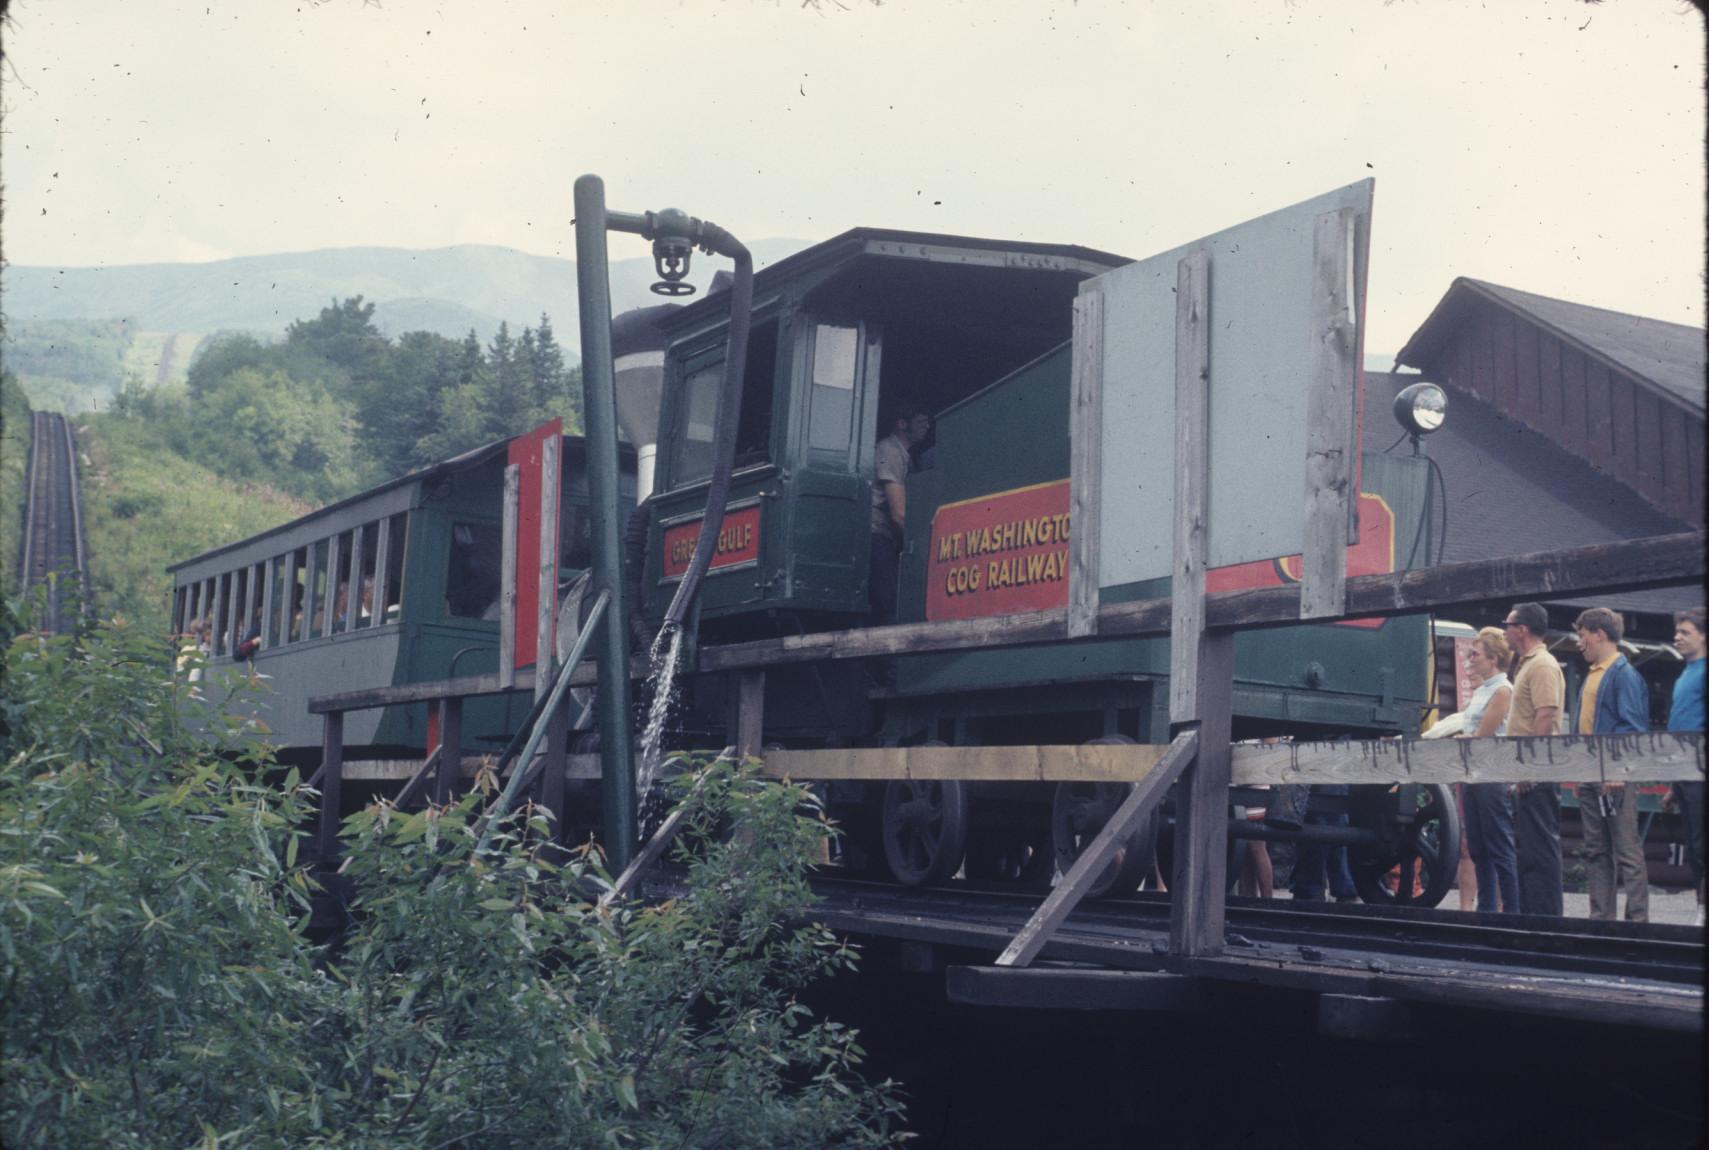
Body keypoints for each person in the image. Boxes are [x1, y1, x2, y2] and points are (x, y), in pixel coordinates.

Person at [1571, 607, 1650, 922]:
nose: (1580, 643)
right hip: (1590, 775)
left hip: (1614, 777)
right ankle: (1601, 919)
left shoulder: (1623, 674)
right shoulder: (1593, 673)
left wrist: (1618, 771)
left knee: (1627, 851)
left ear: (1599, 634)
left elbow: (1632, 728)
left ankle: (1637, 923)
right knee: (1596, 850)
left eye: (1582, 635)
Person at [1505, 602, 1565, 916]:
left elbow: (1546, 715)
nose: (1505, 630)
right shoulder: (1527, 663)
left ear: (1522, 629)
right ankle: (1533, 919)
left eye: (1508, 624)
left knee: (1540, 849)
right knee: (1529, 850)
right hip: (1528, 772)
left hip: (1537, 773)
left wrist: (1529, 768)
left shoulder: (1542, 664)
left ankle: (1546, 922)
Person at [1459, 626, 1519, 914]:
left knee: (1499, 846)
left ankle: (1511, 910)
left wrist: (1461, 739)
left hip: (1492, 773)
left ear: (1493, 658)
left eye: (1476, 653)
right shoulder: (1483, 690)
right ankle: (1485, 909)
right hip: (1472, 773)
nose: (1471, 658)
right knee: (1479, 847)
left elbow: (1483, 734)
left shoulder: (1502, 690)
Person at [868, 402, 931, 624]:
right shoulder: (890, 450)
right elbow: (898, 513)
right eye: (920, 422)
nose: (926, 426)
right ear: (902, 424)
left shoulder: (906, 456)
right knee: (890, 602)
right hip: (878, 534)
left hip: (888, 537)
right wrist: (919, 549)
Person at [1665, 607, 1705, 926]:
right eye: (1677, 632)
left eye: (1686, 632)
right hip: (1683, 772)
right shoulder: (1685, 673)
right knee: (1694, 845)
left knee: (1703, 844)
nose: (1677, 637)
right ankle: (1701, 907)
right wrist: (1672, 783)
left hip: (1701, 771)